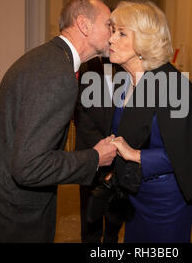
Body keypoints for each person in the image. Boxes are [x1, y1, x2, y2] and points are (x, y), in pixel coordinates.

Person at [0, 0, 117, 242]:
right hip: (7, 217)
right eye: (108, 25)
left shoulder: (48, 57)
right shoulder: (57, 75)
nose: (113, 34)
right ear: (84, 24)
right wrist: (94, 158)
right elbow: (29, 167)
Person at [91, 0, 192, 243]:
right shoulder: (125, 81)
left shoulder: (173, 86)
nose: (111, 39)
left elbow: (188, 153)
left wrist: (136, 155)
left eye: (121, 33)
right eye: (112, 31)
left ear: (143, 41)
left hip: (165, 201)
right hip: (133, 191)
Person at [75, 57, 123, 243]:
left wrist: (118, 145)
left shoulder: (126, 63)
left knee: (115, 213)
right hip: (91, 150)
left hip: (121, 151)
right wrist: (104, 146)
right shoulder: (85, 63)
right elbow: (79, 111)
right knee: (90, 212)